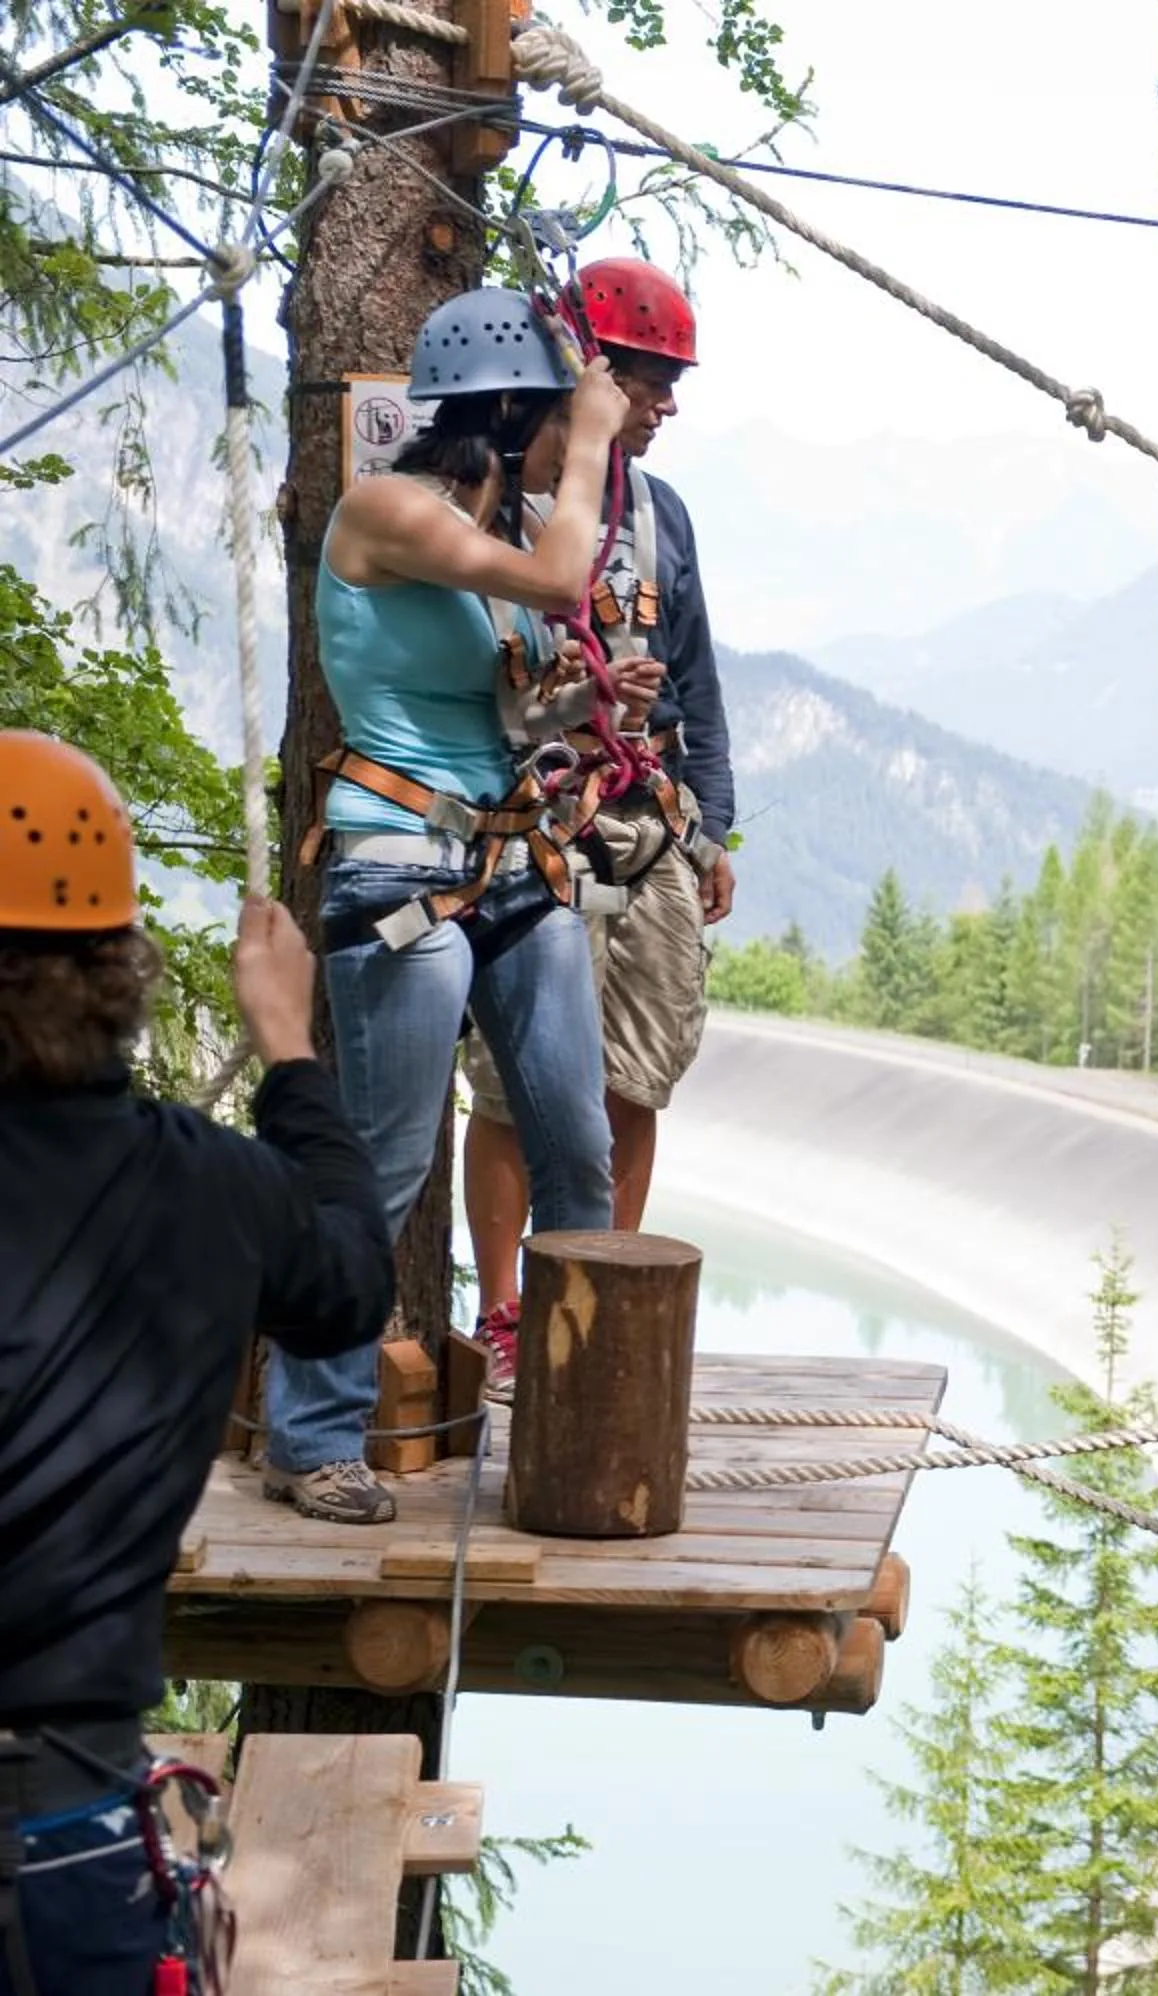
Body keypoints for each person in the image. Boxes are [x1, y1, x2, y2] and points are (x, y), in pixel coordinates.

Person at [0, 733, 395, 1993]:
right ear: (122, 964)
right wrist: (288, 1051)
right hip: (71, 1854)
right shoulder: (209, 1191)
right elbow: (348, 1292)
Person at [264, 289, 645, 1525]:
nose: (571, 450)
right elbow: (555, 578)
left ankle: (571, 1419)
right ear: (518, 417)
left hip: (505, 865)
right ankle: (311, 1435)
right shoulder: (390, 512)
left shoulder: (476, 544)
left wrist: (583, 709)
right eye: (559, 427)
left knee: (578, 1149)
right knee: (384, 1164)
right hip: (401, 870)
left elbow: (502, 713)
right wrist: (595, 437)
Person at [461, 257, 735, 1346]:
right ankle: (500, 1308)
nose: (666, 403)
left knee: (639, 1073)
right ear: (589, 368)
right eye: (650, 378)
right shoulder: (496, 495)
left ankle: (605, 1299)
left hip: (647, 812)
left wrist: (712, 826)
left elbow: (698, 676)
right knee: (506, 1083)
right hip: (536, 810)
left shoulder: (661, 514)